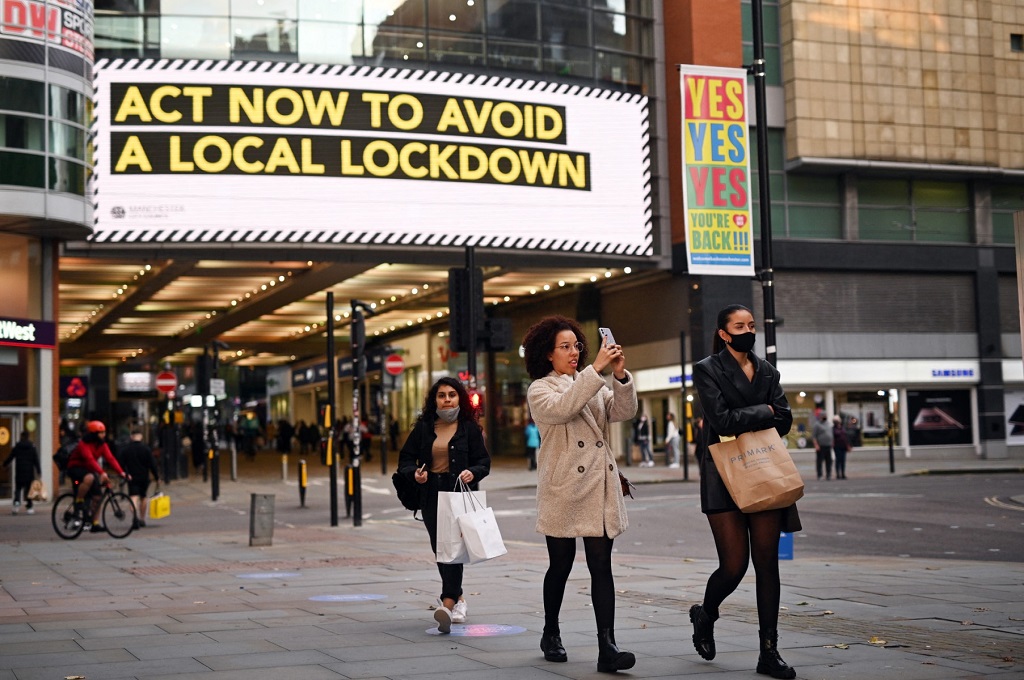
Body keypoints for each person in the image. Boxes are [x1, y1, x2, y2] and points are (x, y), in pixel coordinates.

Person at [523, 315, 638, 673]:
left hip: (598, 486)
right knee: (560, 565)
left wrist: (619, 376)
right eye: (565, 346)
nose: (574, 352)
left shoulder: (589, 383)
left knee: (601, 566)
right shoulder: (540, 389)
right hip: (563, 488)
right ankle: (551, 631)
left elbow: (622, 411)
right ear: (547, 354)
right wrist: (596, 371)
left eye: (577, 345)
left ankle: (608, 647)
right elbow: (564, 408)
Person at [689, 304, 796, 679]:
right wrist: (764, 409)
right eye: (739, 325)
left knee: (767, 564)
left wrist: (762, 412)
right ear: (723, 333)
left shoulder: (767, 370)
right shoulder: (707, 369)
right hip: (723, 473)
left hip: (764, 470)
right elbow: (719, 421)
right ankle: (705, 613)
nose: (747, 330)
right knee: (734, 566)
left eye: (751, 325)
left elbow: (784, 419)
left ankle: (769, 652)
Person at [396, 377, 491, 634]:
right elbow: (405, 459)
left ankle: (447, 602)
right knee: (441, 550)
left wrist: (473, 472)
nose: (447, 399)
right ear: (434, 399)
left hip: (457, 495)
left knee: (453, 549)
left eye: (451, 394)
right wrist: (415, 473)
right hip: (431, 495)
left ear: (459, 397)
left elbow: (484, 462)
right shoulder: (425, 428)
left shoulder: (469, 429)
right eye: (441, 395)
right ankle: (459, 599)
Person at [66, 420, 129, 533]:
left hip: (89, 469)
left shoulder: (102, 445)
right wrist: (101, 472)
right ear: (94, 434)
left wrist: (121, 472)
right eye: (101, 433)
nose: (104, 435)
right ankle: (79, 500)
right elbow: (89, 459)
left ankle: (95, 523)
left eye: (104, 432)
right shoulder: (83, 444)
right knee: (89, 478)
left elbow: (111, 459)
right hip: (75, 468)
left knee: (97, 497)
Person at [119, 429, 160, 528]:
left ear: (131, 437)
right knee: (143, 497)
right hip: (144, 477)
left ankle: (134, 518)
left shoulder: (126, 449)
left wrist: (123, 474)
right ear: (141, 436)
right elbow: (152, 464)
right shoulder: (146, 449)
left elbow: (121, 464)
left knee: (133, 497)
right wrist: (157, 477)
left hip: (131, 477)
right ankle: (142, 519)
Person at [4, 431, 41, 515]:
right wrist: (39, 471)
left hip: (19, 471)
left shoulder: (17, 447)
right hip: (29, 472)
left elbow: (10, 457)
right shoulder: (32, 447)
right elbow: (36, 460)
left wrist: (4, 464)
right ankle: (29, 507)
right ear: (28, 437)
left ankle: (16, 505)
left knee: (18, 489)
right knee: (28, 491)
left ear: (21, 437)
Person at [812, 412, 834, 480]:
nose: (825, 416)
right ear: (820, 416)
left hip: (828, 446)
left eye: (825, 415)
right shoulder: (817, 425)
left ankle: (829, 475)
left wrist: (832, 442)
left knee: (829, 461)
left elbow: (831, 434)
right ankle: (820, 475)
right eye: (824, 415)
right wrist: (816, 445)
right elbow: (814, 436)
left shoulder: (828, 424)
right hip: (820, 446)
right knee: (819, 461)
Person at [832, 415, 850, 480]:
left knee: (843, 460)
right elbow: (833, 436)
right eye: (835, 420)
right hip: (837, 446)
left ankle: (843, 474)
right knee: (838, 460)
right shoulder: (833, 428)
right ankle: (838, 474)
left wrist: (848, 445)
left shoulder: (843, 427)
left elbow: (846, 437)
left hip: (843, 446)